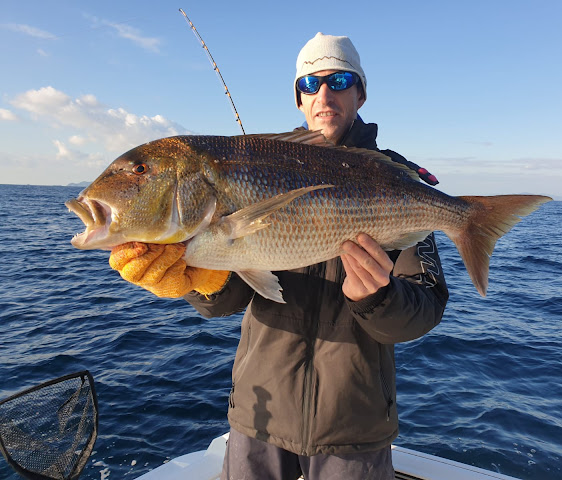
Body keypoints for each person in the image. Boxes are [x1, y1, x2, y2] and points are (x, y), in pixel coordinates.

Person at [109, 32, 449, 480]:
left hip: (355, 427)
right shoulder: (257, 165)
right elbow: (226, 301)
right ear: (298, 99)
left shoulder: (393, 181)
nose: (323, 94)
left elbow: (423, 311)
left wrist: (377, 297)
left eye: (339, 80)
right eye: (309, 84)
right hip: (258, 417)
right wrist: (199, 279)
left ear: (361, 92)